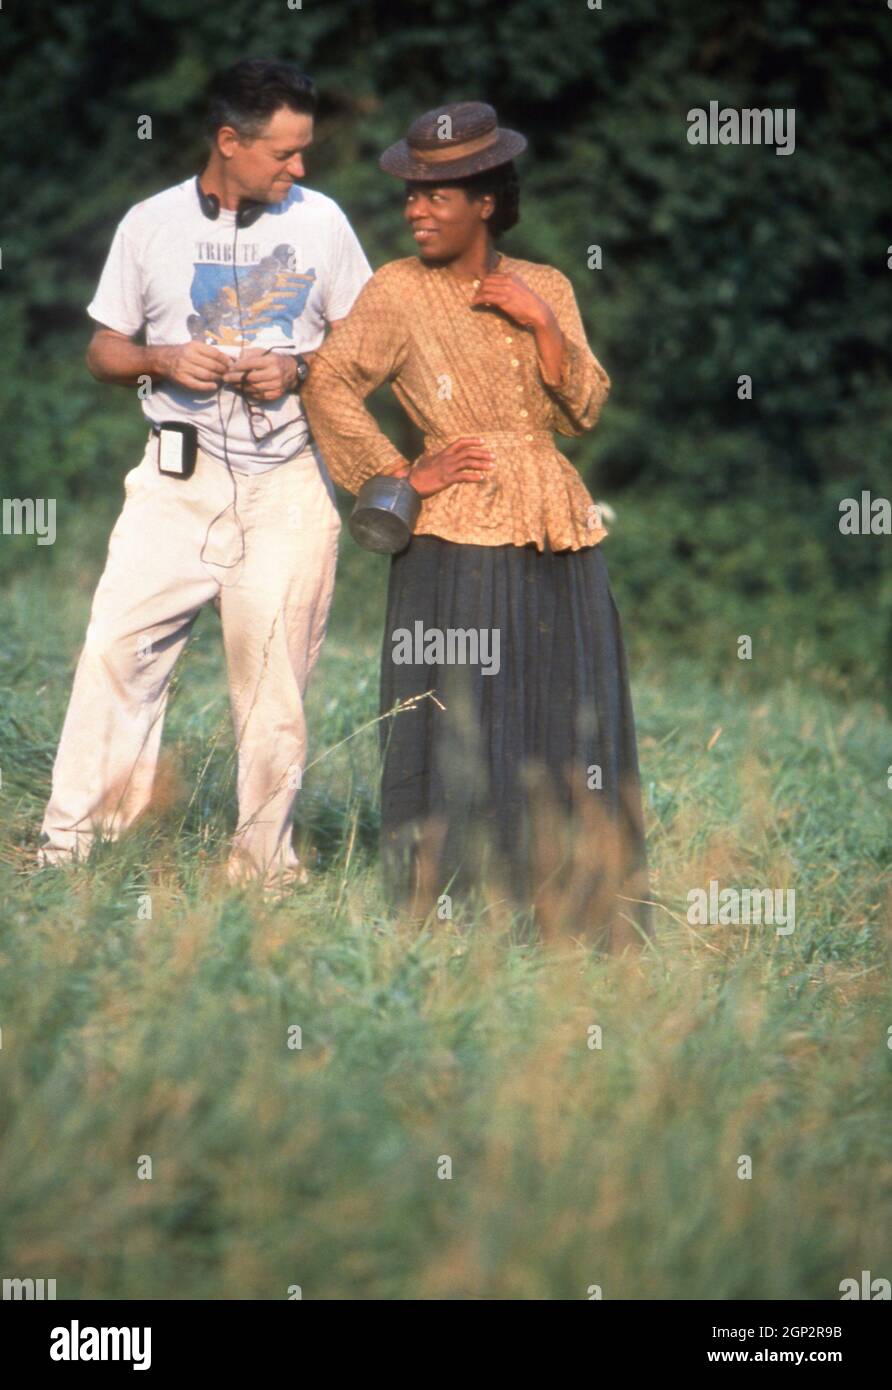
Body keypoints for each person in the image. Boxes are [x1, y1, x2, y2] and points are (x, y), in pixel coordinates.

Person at [301, 102, 651, 946]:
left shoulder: (550, 285)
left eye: (438, 195)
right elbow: (328, 382)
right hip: (453, 528)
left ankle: (575, 913)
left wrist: (538, 320)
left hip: (555, 523)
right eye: (411, 195)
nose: (417, 209)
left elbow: (585, 410)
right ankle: (449, 911)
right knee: (461, 715)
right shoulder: (396, 290)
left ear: (485, 200)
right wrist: (397, 474)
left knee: (567, 711)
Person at [37, 58, 372, 891]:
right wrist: (161, 357)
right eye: (285, 153)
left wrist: (296, 369)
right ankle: (73, 852)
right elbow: (103, 349)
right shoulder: (148, 225)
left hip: (286, 486)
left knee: (273, 688)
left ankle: (261, 872)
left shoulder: (323, 222)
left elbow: (366, 347)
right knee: (117, 655)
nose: (300, 169)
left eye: (304, 152)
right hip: (173, 485)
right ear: (230, 141)